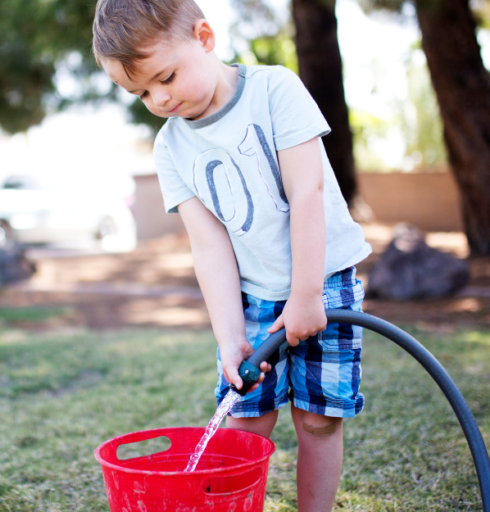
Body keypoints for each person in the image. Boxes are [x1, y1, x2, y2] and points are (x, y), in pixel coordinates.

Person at [92, 1, 372, 510]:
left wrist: (308, 295)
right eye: (141, 92)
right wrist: (229, 336)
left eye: (166, 77)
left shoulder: (274, 91)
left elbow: (306, 193)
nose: (159, 97)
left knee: (318, 420)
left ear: (204, 37)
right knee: (244, 424)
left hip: (324, 279)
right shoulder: (170, 147)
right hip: (251, 293)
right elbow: (210, 245)